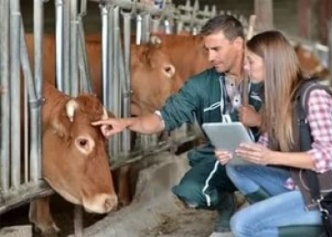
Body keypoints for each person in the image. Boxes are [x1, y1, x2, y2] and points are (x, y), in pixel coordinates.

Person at [93, 15, 263, 237]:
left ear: (238, 44)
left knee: (265, 199)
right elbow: (163, 117)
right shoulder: (201, 84)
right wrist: (126, 123)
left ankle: (262, 209)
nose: (211, 57)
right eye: (207, 50)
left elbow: (295, 122)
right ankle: (225, 204)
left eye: (216, 49)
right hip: (222, 157)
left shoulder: (267, 74)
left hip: (268, 154)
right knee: (190, 192)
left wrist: (260, 121)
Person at [215, 30, 332, 237]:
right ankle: (278, 218)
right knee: (236, 169)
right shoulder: (275, 97)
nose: (245, 66)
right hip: (299, 183)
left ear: (271, 63)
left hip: (326, 195)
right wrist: (237, 152)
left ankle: (280, 222)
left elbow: (327, 157)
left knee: (241, 224)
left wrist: (271, 156)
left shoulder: (313, 95)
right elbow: (264, 147)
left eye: (250, 61)